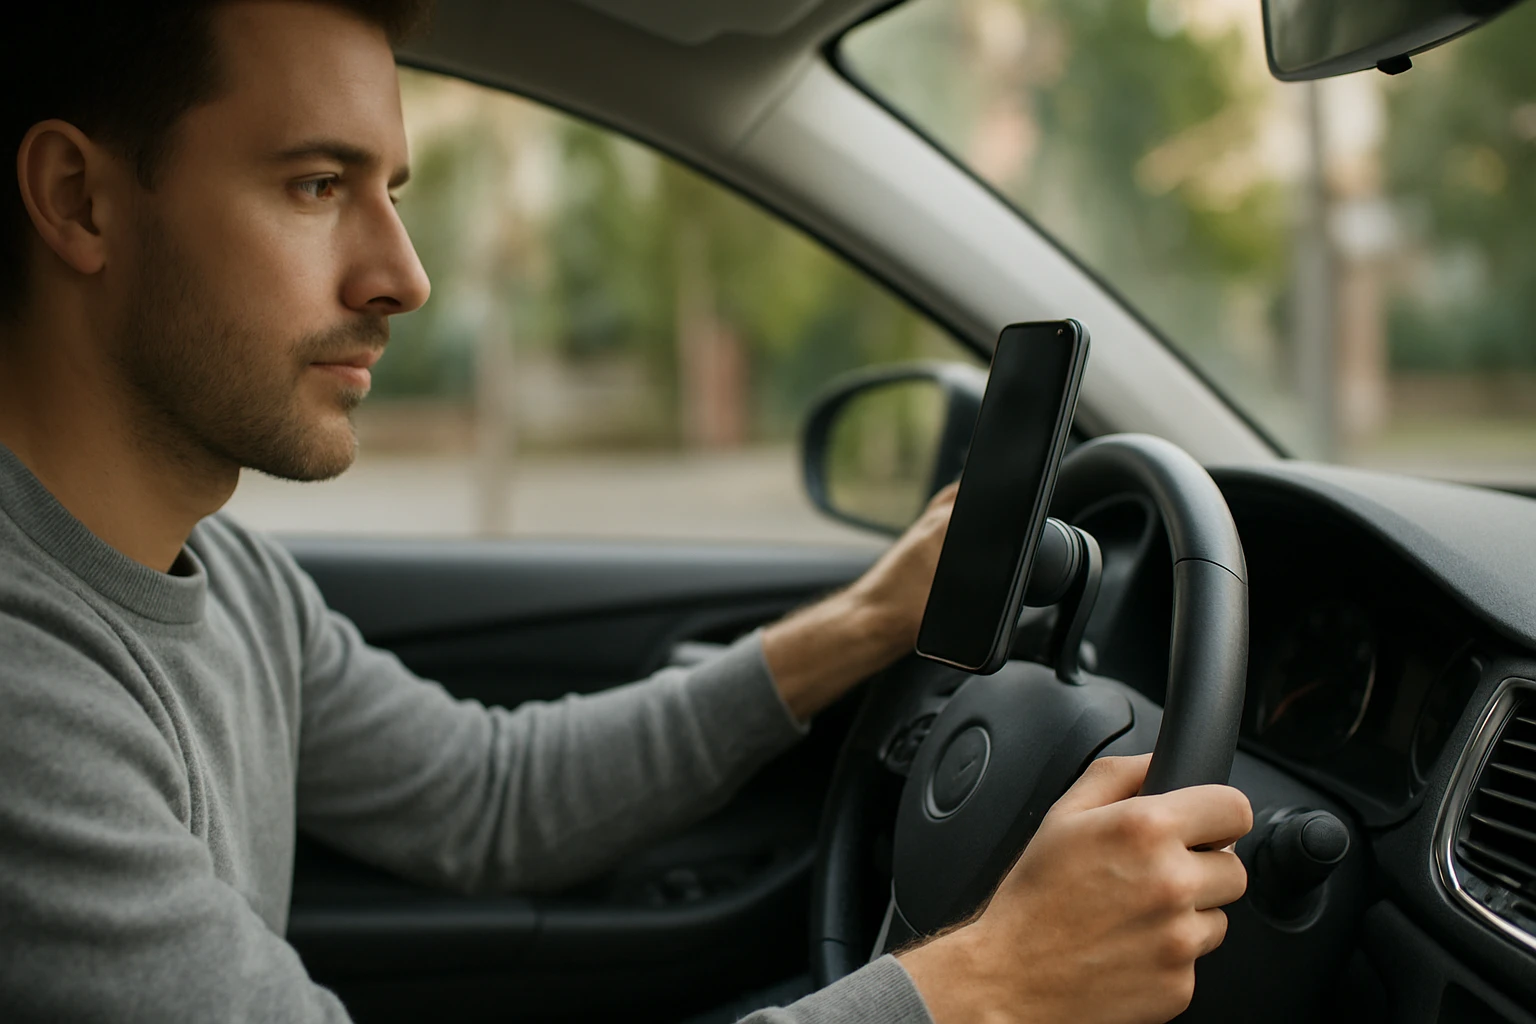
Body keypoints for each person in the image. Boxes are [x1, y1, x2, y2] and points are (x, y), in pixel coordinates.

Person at [0, 2, 1252, 1022]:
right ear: (81, 199)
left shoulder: (227, 578)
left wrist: (864, 622)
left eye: (391, 189)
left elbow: (489, 797)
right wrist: (985, 983)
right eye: (318, 184)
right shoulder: (25, 690)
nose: (404, 276)